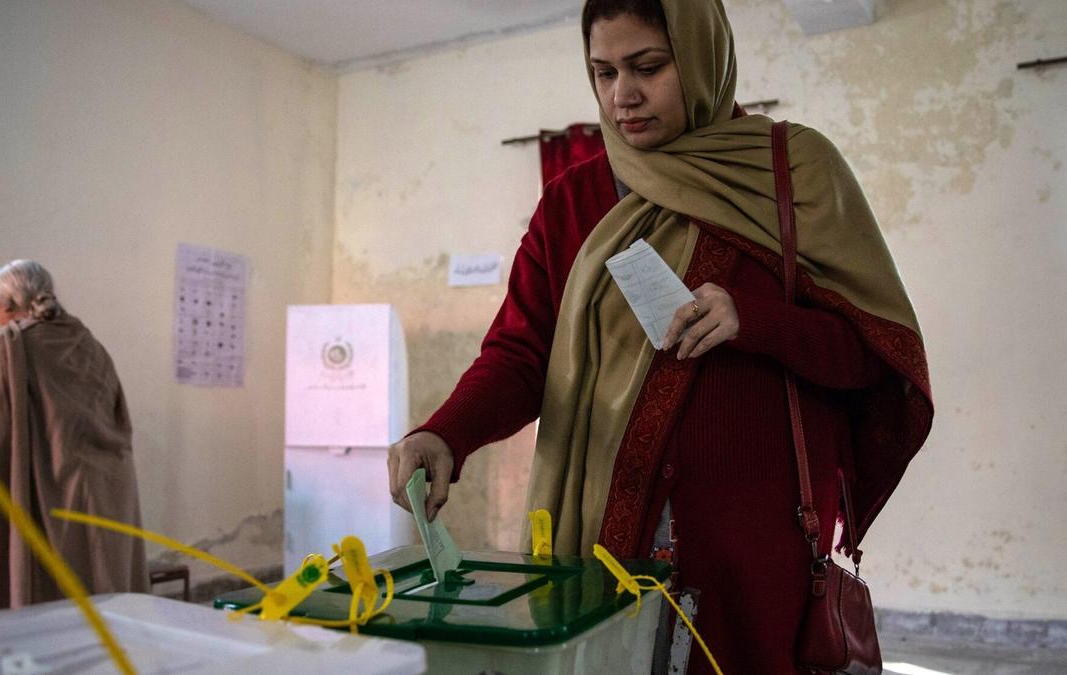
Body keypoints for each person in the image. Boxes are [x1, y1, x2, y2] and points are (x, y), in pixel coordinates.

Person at [387, 0, 933, 671]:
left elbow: (875, 353)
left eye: (648, 66)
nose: (624, 95)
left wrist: (755, 320)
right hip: (603, 539)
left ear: (703, 58)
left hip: (756, 543)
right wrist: (444, 433)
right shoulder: (574, 200)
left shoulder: (792, 174)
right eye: (604, 72)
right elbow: (521, 354)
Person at [0, 260, 149, 614]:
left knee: (51, 608)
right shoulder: (90, 345)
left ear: (8, 306)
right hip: (104, 494)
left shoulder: (8, 347)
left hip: (47, 502)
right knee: (99, 598)